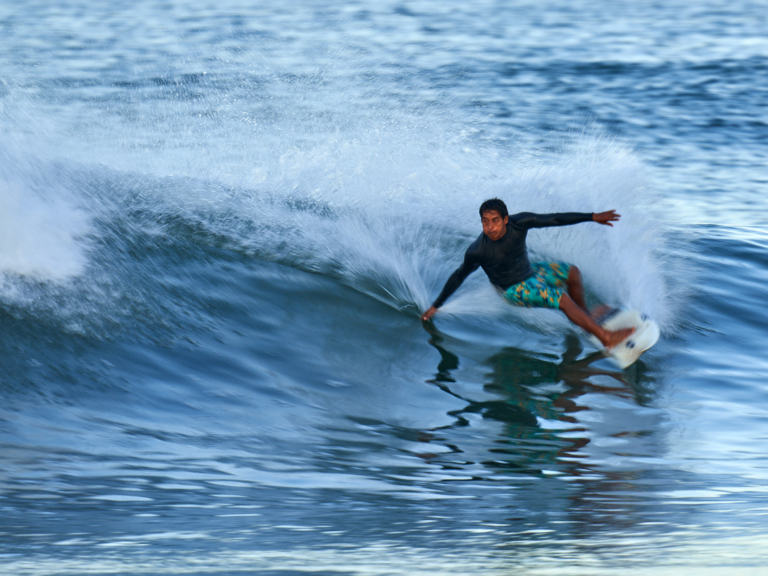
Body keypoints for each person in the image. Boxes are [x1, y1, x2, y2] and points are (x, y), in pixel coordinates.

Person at [421, 198, 634, 348]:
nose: (490, 227)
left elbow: (554, 219)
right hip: (512, 289)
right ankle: (605, 337)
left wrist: (592, 217)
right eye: (485, 222)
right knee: (561, 298)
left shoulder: (519, 223)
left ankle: (586, 319)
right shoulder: (478, 250)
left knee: (572, 273)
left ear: (505, 219)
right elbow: (459, 275)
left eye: (494, 221)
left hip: (530, 272)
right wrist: (435, 306)